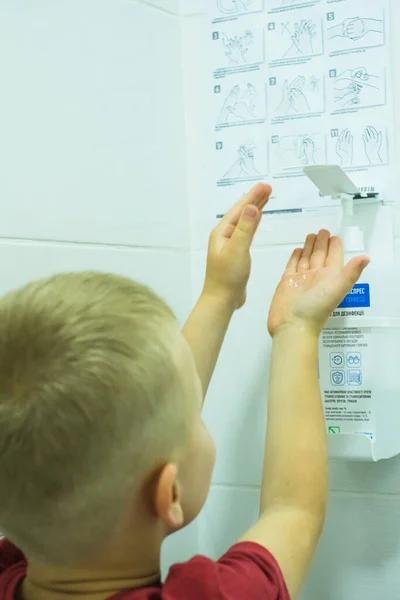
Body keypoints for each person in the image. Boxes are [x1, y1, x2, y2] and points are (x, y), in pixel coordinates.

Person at [0, 184, 368, 600]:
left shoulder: (26, 537)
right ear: (169, 493)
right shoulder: (208, 595)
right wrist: (297, 328)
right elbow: (293, 510)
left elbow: (142, 403)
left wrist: (220, 293)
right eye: (192, 416)